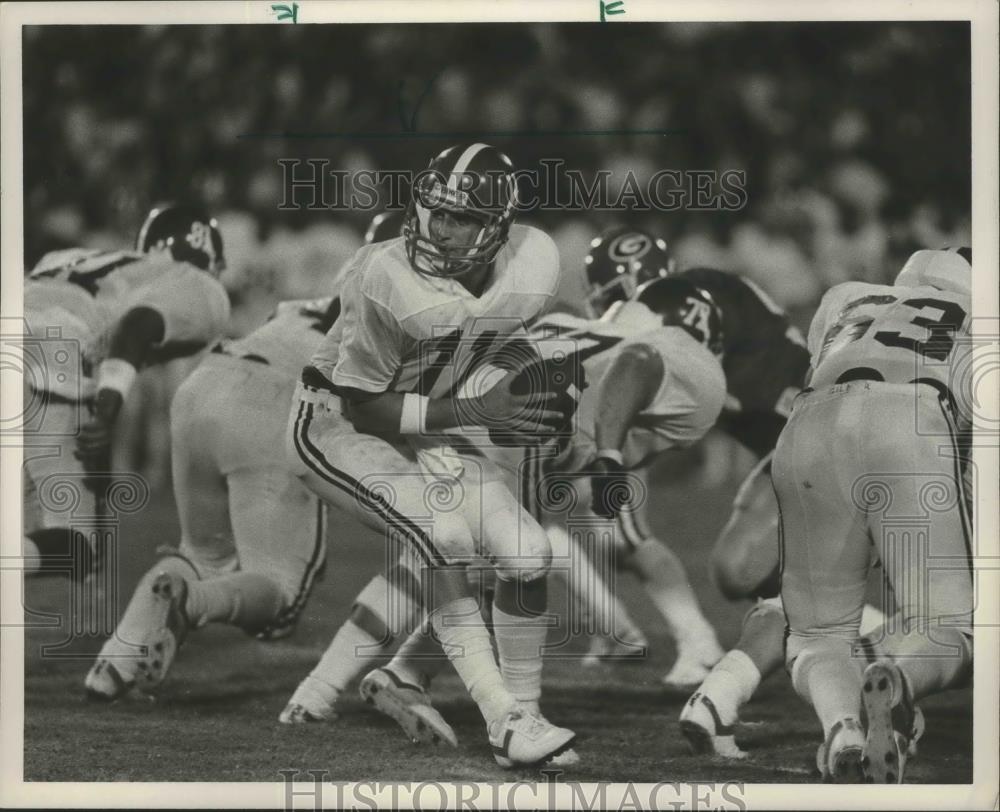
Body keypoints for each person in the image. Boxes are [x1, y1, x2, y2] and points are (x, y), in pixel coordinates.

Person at [300, 272, 729, 750]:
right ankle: (520, 715)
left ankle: (357, 683)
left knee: (456, 561)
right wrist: (608, 453)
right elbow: (640, 361)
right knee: (523, 563)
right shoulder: (681, 353)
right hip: (513, 434)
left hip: (458, 411)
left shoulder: (569, 322)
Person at [284, 143, 576, 768]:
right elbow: (364, 406)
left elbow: (495, 343)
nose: (439, 228)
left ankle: (526, 709)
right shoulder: (383, 273)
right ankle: (502, 721)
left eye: (461, 218)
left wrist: (541, 400)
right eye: (434, 211)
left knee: (530, 553)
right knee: (442, 535)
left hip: (426, 425)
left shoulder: (534, 262)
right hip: (334, 425)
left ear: (498, 228)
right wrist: (477, 411)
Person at [773, 247, 973, 783]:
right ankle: (900, 681)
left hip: (809, 422)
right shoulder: (982, 320)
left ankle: (841, 730)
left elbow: (826, 362)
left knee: (815, 633)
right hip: (911, 418)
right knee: (954, 625)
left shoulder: (847, 296)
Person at [84, 295, 339, 698]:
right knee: (280, 593)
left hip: (203, 384)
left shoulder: (301, 305)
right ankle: (191, 604)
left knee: (201, 556)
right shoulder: (402, 304)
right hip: (276, 395)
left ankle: (115, 664)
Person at [22, 205, 229, 581]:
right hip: (50, 363)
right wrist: (107, 414)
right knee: (76, 551)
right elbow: (137, 326)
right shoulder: (195, 284)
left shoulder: (75, 256)